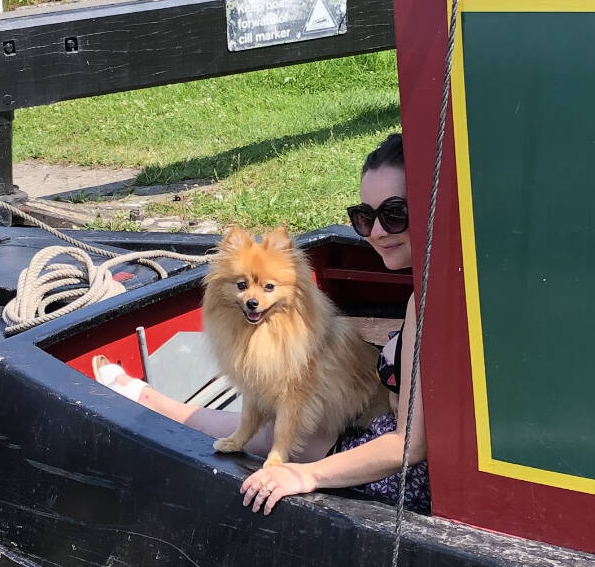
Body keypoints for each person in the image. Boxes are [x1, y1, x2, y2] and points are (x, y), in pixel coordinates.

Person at [93, 132, 430, 515]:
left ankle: (147, 400)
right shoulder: (434, 286)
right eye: (364, 218)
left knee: (273, 433)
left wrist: (306, 477)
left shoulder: (426, 303)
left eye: (394, 213)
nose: (378, 232)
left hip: (403, 475)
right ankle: (151, 401)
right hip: (374, 425)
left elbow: (409, 446)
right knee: (267, 423)